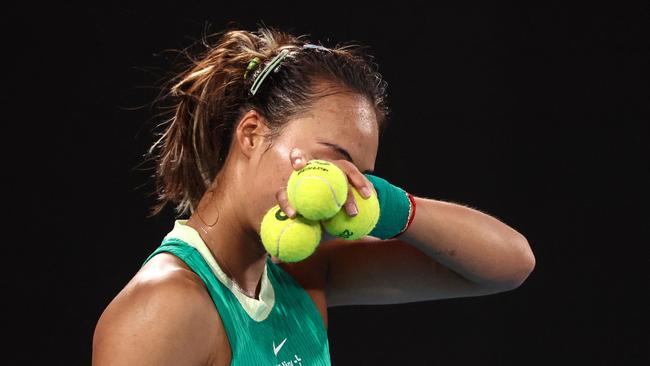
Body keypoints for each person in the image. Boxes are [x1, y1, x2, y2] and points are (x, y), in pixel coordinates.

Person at [92, 26, 535, 366]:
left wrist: (392, 206)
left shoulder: (303, 272)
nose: (345, 187)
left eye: (360, 177)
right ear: (251, 133)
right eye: (331, 162)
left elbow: (509, 266)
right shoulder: (162, 308)